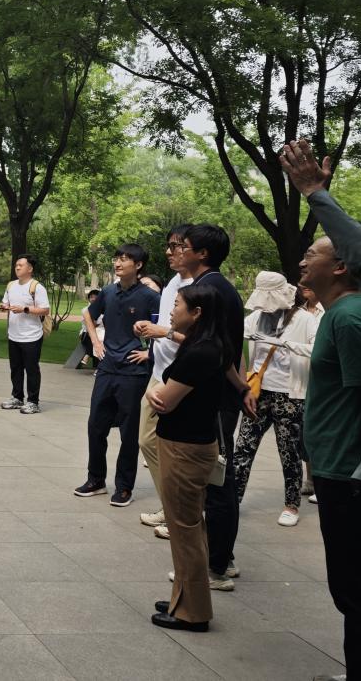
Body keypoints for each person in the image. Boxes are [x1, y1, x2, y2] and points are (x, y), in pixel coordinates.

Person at [283, 139, 361, 674]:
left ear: (342, 267)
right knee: (351, 587)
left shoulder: (352, 319)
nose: (303, 259)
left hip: (353, 478)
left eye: (314, 254)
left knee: (360, 589)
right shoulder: (335, 315)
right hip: (333, 471)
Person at [145, 282, 231, 633]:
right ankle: (182, 598)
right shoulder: (207, 344)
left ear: (196, 313)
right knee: (189, 527)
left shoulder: (200, 352)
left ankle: (192, 612)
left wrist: (151, 394)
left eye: (177, 304)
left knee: (185, 531)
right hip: (190, 444)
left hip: (184, 448)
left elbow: (164, 401)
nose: (171, 309)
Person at [174, 224, 255, 590]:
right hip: (217, 396)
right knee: (214, 479)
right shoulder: (215, 287)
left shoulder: (214, 291)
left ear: (202, 253)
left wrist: (238, 388)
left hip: (215, 401)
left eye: (184, 246)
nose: (178, 251)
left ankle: (218, 565)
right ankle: (218, 557)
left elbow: (217, 349)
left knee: (218, 480)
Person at [230, 274, 315, 527]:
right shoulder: (257, 317)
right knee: (243, 447)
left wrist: (285, 344)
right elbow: (235, 333)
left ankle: (292, 504)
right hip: (258, 392)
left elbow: (318, 348)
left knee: (289, 451)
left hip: (289, 393)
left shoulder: (304, 319)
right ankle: (233, 499)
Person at [75, 244, 157, 507]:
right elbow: (88, 314)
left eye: (124, 259)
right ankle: (96, 480)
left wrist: (149, 353)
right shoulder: (108, 292)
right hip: (107, 368)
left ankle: (124, 487)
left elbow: (164, 329)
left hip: (133, 373)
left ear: (138, 265)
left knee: (128, 432)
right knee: (95, 426)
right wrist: (96, 343)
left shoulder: (150, 297)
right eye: (117, 259)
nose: (118, 263)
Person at [133, 225, 194, 537]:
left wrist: (164, 333)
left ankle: (181, 513)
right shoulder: (173, 283)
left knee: (174, 450)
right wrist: (151, 330)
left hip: (181, 379)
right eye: (168, 245)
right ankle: (171, 507)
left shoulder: (199, 288)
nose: (169, 252)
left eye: (177, 246)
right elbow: (167, 326)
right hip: (159, 372)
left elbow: (204, 343)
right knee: (147, 441)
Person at [0, 253, 50, 414]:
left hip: (31, 336)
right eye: (16, 265)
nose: (17, 267)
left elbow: (45, 310)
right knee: (16, 368)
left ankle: (33, 402)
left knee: (31, 369)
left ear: (30, 268)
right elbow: (6, 302)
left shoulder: (37, 287)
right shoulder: (11, 285)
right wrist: (3, 307)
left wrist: (25, 309)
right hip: (14, 334)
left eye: (21, 265)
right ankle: (17, 397)